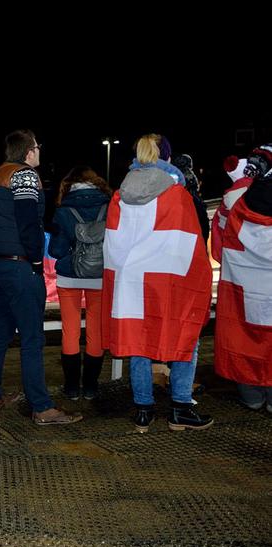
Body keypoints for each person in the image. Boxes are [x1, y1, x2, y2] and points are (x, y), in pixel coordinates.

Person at [103, 134, 213, 432]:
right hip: (166, 280)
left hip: (131, 283)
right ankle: (180, 407)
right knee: (184, 335)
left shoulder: (119, 195)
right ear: (166, 156)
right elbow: (190, 245)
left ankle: (143, 410)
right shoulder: (177, 195)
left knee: (139, 341)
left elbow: (112, 243)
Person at [0, 130, 82, 425]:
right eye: (37, 147)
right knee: (32, 338)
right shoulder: (24, 176)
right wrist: (37, 260)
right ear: (28, 152)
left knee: (1, 330)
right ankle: (42, 407)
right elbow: (28, 222)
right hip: (20, 266)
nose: (39, 151)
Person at [215, 143, 272, 412]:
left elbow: (217, 247)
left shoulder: (233, 200)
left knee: (243, 337)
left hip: (242, 288)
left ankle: (251, 396)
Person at [47, 166, 111, 400]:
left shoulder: (63, 210)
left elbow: (55, 250)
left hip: (69, 277)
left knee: (70, 331)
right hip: (99, 277)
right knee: (96, 332)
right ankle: (91, 387)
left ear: (70, 185)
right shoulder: (109, 206)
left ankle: (72, 388)